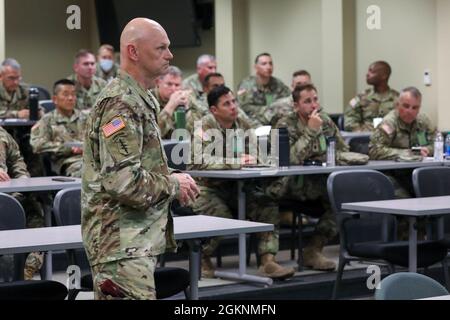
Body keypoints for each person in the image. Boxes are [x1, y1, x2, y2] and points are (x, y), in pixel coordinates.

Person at [81, 18, 199, 300]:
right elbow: (122, 181)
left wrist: (174, 178)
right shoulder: (120, 104)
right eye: (161, 48)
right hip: (120, 243)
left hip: (135, 239)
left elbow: (142, 164)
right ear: (133, 52)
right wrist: (173, 185)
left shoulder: (139, 98)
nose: (169, 55)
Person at [190, 85, 295, 280]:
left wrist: (253, 159)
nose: (233, 107)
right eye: (227, 104)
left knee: (267, 205)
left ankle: (268, 262)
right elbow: (198, 160)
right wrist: (235, 162)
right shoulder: (204, 126)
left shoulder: (242, 123)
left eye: (234, 101)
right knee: (221, 215)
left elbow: (256, 153)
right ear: (214, 110)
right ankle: (201, 257)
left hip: (237, 186)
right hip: (207, 188)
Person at [275, 84, 368, 271]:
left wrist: (321, 156)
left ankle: (312, 250)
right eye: (307, 101)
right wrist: (310, 130)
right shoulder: (284, 124)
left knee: (343, 201)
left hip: (320, 182)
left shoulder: (325, 120)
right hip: (293, 186)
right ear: (295, 105)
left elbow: (342, 150)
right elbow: (290, 159)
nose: (313, 104)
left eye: (315, 99)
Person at [369, 87, 435, 198]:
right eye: (406, 106)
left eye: (415, 107)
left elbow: (436, 143)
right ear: (397, 105)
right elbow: (375, 150)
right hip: (392, 174)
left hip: (418, 171)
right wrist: (407, 153)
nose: (410, 111)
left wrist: (428, 150)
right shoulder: (388, 123)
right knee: (405, 200)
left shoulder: (423, 121)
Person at [0, 126, 44, 280]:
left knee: (35, 214)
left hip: (9, 197)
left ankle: (28, 269)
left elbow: (16, 161)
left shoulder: (3, 134)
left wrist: (22, 181)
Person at [30, 79, 85, 177]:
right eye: (65, 94)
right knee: (88, 173)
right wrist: (69, 149)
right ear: (55, 99)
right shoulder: (47, 120)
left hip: (91, 159)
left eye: (73, 94)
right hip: (69, 163)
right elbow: (38, 146)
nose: (70, 98)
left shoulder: (86, 118)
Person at [0, 58, 44, 177]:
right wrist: (16, 114)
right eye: (11, 78)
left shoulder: (25, 90)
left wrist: (36, 112)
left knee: (35, 148)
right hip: (3, 133)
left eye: (18, 78)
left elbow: (40, 110)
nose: (15, 82)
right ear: (1, 76)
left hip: (23, 133)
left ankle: (35, 191)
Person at [237, 53, 291, 126]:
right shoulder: (246, 84)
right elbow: (243, 107)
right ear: (256, 67)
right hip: (252, 123)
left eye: (270, 63)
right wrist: (268, 109)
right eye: (264, 64)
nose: (268, 67)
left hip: (274, 123)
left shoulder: (278, 84)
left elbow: (289, 101)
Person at [345, 61, 399, 132]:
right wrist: (361, 132)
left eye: (372, 72)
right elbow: (350, 120)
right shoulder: (360, 98)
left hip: (391, 139)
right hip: (364, 139)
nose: (367, 74)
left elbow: (404, 122)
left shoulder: (398, 98)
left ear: (384, 76)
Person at [153, 66, 201, 138]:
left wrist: (187, 108)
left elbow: (197, 130)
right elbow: (154, 134)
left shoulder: (186, 98)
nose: (173, 89)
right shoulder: (151, 99)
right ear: (158, 82)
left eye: (177, 85)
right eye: (169, 84)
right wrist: (171, 105)